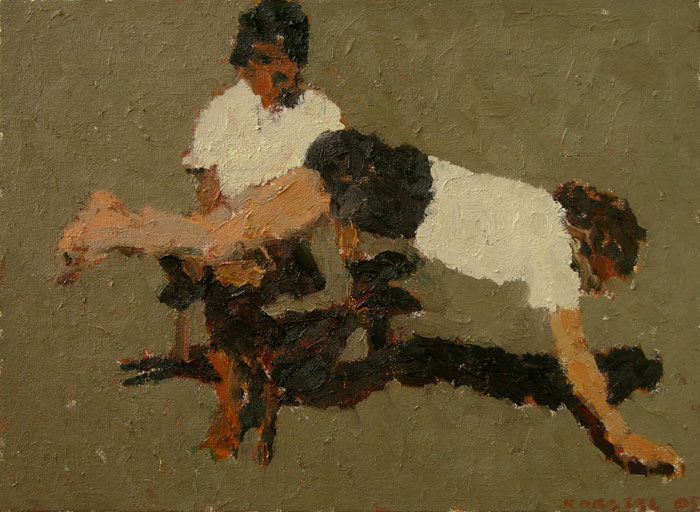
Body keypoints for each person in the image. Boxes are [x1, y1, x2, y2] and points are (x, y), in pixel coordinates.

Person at [56, 0, 682, 476]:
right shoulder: (551, 249)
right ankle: (109, 224)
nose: (601, 288)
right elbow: (575, 359)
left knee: (222, 239)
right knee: (221, 243)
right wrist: (622, 437)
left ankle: (112, 221)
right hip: (364, 178)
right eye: (607, 274)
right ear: (593, 245)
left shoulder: (542, 217)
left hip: (368, 170)